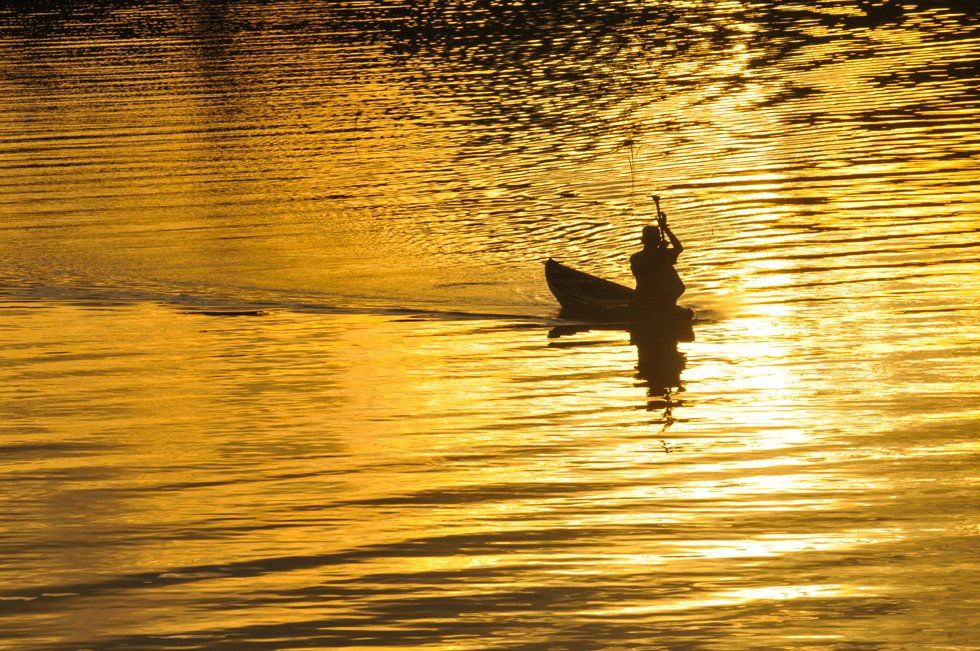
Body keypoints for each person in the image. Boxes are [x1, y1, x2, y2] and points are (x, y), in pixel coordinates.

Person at [630, 198, 685, 316]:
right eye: (652, 240)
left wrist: (665, 228)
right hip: (644, 300)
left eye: (656, 240)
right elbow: (643, 267)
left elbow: (679, 248)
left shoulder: (662, 255)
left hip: (662, 300)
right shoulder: (636, 258)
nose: (655, 243)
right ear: (645, 241)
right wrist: (658, 252)